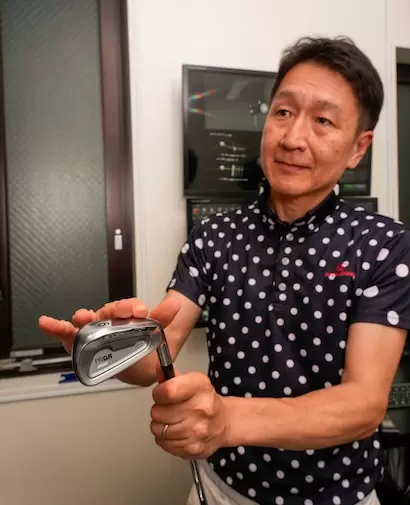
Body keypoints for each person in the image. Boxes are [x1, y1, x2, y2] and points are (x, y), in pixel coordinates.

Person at [39, 36, 410, 505]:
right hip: (219, 488)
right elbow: (158, 356)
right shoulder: (213, 237)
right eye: (283, 112)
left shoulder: (384, 244)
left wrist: (227, 420)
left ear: (358, 147)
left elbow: (364, 404)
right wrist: (111, 345)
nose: (293, 138)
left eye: (323, 120)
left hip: (338, 495)